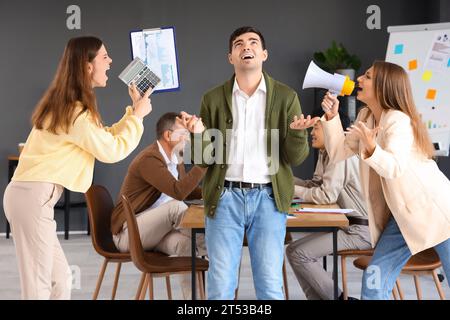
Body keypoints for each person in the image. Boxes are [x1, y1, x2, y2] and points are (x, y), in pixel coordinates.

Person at [3, 36, 152, 299]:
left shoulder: (72, 107)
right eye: (105, 57)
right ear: (87, 65)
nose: (111, 61)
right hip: (34, 196)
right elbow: (111, 150)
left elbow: (103, 137)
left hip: (32, 197)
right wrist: (138, 117)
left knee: (59, 280)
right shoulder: (76, 112)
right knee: (38, 286)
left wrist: (132, 114)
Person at [290, 60, 450, 300]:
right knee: (375, 278)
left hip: (437, 212)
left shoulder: (399, 121)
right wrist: (332, 117)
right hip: (403, 217)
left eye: (367, 76)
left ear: (384, 87)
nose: (359, 81)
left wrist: (372, 146)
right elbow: (340, 152)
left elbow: (393, 167)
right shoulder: (367, 116)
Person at [192, 26, 309, 299]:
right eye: (239, 44)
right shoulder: (211, 99)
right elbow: (202, 160)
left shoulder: (286, 96)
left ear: (264, 54)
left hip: (269, 198)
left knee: (269, 285)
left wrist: (297, 134)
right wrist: (197, 135)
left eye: (253, 42)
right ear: (230, 57)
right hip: (224, 197)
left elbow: (296, 157)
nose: (246, 47)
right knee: (220, 286)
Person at [111, 112, 207, 299]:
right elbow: (178, 192)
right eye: (184, 133)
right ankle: (213, 242)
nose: (187, 137)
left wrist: (217, 193)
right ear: (168, 135)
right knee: (176, 207)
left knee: (186, 246)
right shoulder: (150, 159)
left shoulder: (175, 159)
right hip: (129, 234)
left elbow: (186, 190)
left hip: (156, 231)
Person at [287, 118, 371, 300]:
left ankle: (340, 299)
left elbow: (326, 196)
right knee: (293, 251)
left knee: (300, 254)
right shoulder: (326, 152)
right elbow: (315, 185)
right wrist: (285, 179)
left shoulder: (340, 155)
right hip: (348, 227)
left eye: (316, 127)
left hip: (361, 231)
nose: (311, 132)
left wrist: (290, 188)